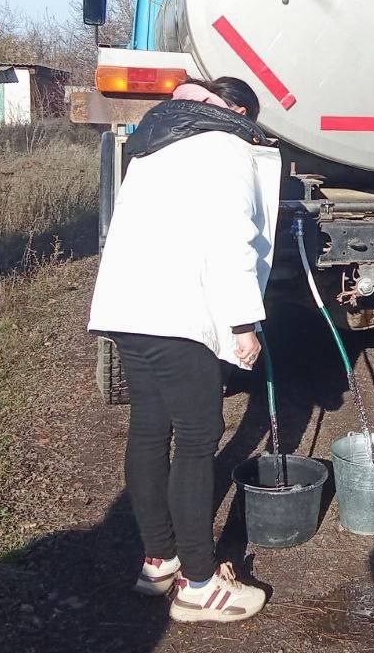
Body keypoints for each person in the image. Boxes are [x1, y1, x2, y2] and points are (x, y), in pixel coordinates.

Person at [87, 76, 281, 622]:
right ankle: (199, 584)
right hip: (177, 312)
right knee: (199, 439)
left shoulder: (154, 145)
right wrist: (244, 324)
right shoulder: (226, 145)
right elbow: (232, 238)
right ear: (239, 111)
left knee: (150, 428)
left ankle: (159, 560)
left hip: (128, 307)